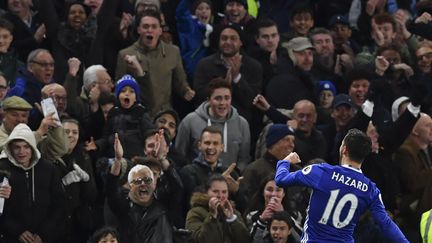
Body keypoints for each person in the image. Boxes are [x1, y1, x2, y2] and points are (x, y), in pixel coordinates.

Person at [275, 128, 408, 242]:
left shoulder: (321, 172)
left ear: (344, 149)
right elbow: (386, 224)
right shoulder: (370, 189)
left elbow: (281, 179)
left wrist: (285, 161)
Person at [115, 8, 195, 115]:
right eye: (145, 26)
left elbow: (179, 81)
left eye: (154, 26)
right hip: (137, 114)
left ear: (160, 30)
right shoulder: (125, 54)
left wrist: (186, 90)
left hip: (164, 114)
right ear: (138, 29)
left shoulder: (173, 52)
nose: (150, 30)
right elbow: (119, 88)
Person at [0, 123, 66, 242]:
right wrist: (17, 231)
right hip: (10, 237)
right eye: (17, 147)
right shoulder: (2, 168)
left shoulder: (49, 169)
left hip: (45, 237)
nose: (22, 152)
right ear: (10, 148)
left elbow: (59, 205)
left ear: (33, 147)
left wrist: (43, 234)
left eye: (26, 147)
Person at [107, 134, 173, 243]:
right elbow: (111, 188)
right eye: (138, 180)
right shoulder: (123, 205)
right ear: (130, 183)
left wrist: (162, 158)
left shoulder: (164, 202)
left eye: (148, 180)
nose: (143, 184)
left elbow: (177, 187)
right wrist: (118, 160)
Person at [176, 77, 251, 171]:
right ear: (208, 100)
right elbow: (180, 156)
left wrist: (234, 176)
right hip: (197, 181)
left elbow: (243, 159)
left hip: (229, 181)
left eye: (227, 98)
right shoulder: (190, 121)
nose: (222, 103)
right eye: (218, 98)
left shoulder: (242, 124)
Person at [185, 174, 249, 243]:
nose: (220, 196)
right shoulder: (196, 213)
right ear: (206, 192)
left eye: (224, 192)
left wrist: (232, 219)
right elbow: (201, 240)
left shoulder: (234, 213)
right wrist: (212, 217)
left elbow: (245, 240)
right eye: (215, 191)